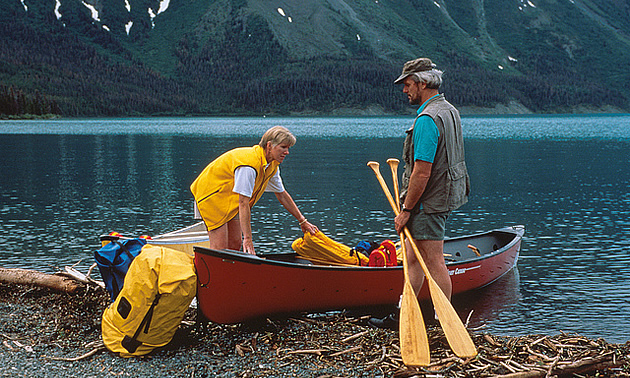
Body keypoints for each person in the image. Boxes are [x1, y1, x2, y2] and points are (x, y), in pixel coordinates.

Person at [369, 58, 470, 329]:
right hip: (442, 196)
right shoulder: (449, 110)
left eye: (408, 84)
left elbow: (422, 171)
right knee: (412, 257)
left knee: (434, 261)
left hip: (427, 202)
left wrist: (407, 210)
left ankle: (443, 320)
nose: (405, 90)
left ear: (423, 83)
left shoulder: (427, 119)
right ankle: (406, 314)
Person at [190, 126, 318, 255]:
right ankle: (212, 272)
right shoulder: (249, 165)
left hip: (230, 198)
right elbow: (243, 203)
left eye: (288, 148)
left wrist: (303, 221)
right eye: (283, 147)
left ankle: (230, 272)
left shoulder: (271, 165)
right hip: (212, 197)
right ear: (269, 146)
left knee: (235, 244)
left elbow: (282, 195)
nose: (287, 152)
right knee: (220, 249)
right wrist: (248, 238)